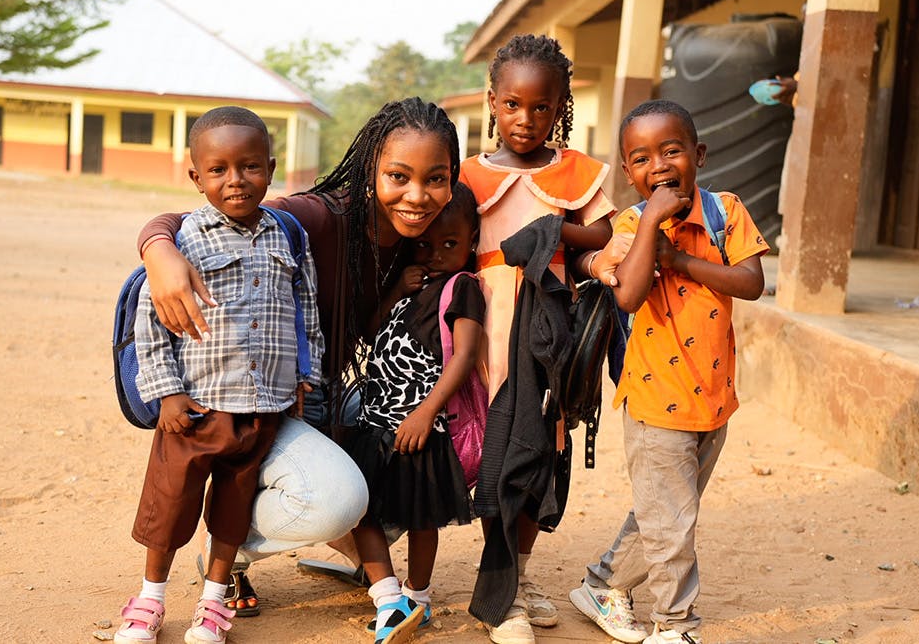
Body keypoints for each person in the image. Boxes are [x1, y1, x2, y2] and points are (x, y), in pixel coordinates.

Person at [135, 97, 460, 614]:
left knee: (412, 476)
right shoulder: (316, 218)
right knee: (339, 500)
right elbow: (214, 209)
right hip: (258, 399)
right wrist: (157, 248)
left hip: (325, 393)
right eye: (398, 176)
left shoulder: (428, 233)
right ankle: (229, 550)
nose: (418, 195)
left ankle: (295, 536)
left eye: (436, 179)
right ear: (371, 165)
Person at [115, 106, 325, 644]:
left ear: (272, 168)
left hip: (262, 409)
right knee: (170, 507)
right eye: (219, 170)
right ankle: (150, 599)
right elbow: (150, 321)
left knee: (232, 513)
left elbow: (308, 312)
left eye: (250, 166)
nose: (236, 180)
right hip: (196, 407)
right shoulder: (184, 240)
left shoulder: (287, 238)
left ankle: (213, 603)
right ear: (196, 176)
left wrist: (307, 375)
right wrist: (165, 393)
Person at [569, 99, 768, 644]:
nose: (658, 165)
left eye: (671, 150)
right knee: (673, 524)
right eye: (641, 157)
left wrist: (678, 261)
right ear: (629, 172)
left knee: (665, 514)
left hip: (713, 400)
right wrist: (653, 221)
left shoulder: (725, 211)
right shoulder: (631, 225)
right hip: (655, 405)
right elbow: (629, 297)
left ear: (697, 156)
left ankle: (601, 585)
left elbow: (750, 282)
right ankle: (676, 628)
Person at [460, 33, 616, 644]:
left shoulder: (576, 174)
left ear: (562, 106)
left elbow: (601, 234)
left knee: (541, 453)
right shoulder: (466, 174)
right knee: (496, 449)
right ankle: (500, 590)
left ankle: (518, 577)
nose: (526, 120)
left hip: (550, 331)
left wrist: (551, 234)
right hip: (483, 332)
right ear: (492, 101)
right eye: (513, 105)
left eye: (542, 107)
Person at [347, 182, 485, 643]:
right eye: (425, 244)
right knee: (361, 510)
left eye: (450, 244)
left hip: (423, 426)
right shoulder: (407, 283)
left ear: (471, 242)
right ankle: (389, 597)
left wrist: (426, 413)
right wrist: (392, 296)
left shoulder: (462, 287)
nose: (435, 254)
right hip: (376, 422)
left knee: (423, 517)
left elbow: (464, 356)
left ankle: (419, 597)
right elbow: (369, 331)